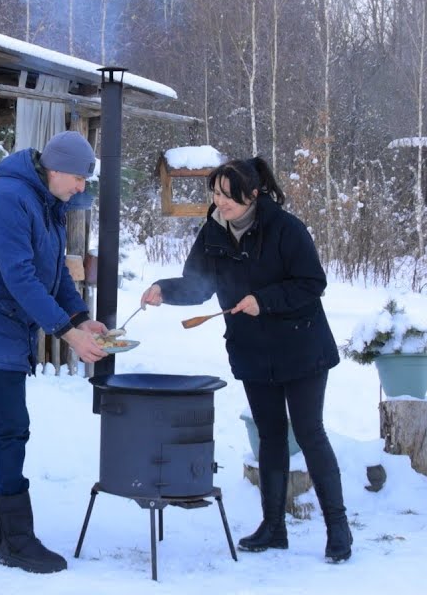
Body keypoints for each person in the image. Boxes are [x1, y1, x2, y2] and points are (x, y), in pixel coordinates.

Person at [139, 156, 353, 563]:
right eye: (215, 193)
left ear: (253, 194)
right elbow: (197, 286)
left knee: (308, 432)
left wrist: (264, 301)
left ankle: (337, 528)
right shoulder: (212, 233)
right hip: (252, 348)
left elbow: (312, 283)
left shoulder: (284, 228)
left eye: (227, 194)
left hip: (300, 345)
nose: (220, 202)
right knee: (269, 436)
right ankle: (273, 527)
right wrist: (163, 289)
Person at [0, 130, 109, 574]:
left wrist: (80, 316)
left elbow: (55, 272)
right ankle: (16, 540)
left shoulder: (46, 203)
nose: (82, 187)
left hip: (2, 324)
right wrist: (68, 334)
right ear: (54, 169)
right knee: (12, 426)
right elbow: (21, 278)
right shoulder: (8, 200)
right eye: (78, 178)